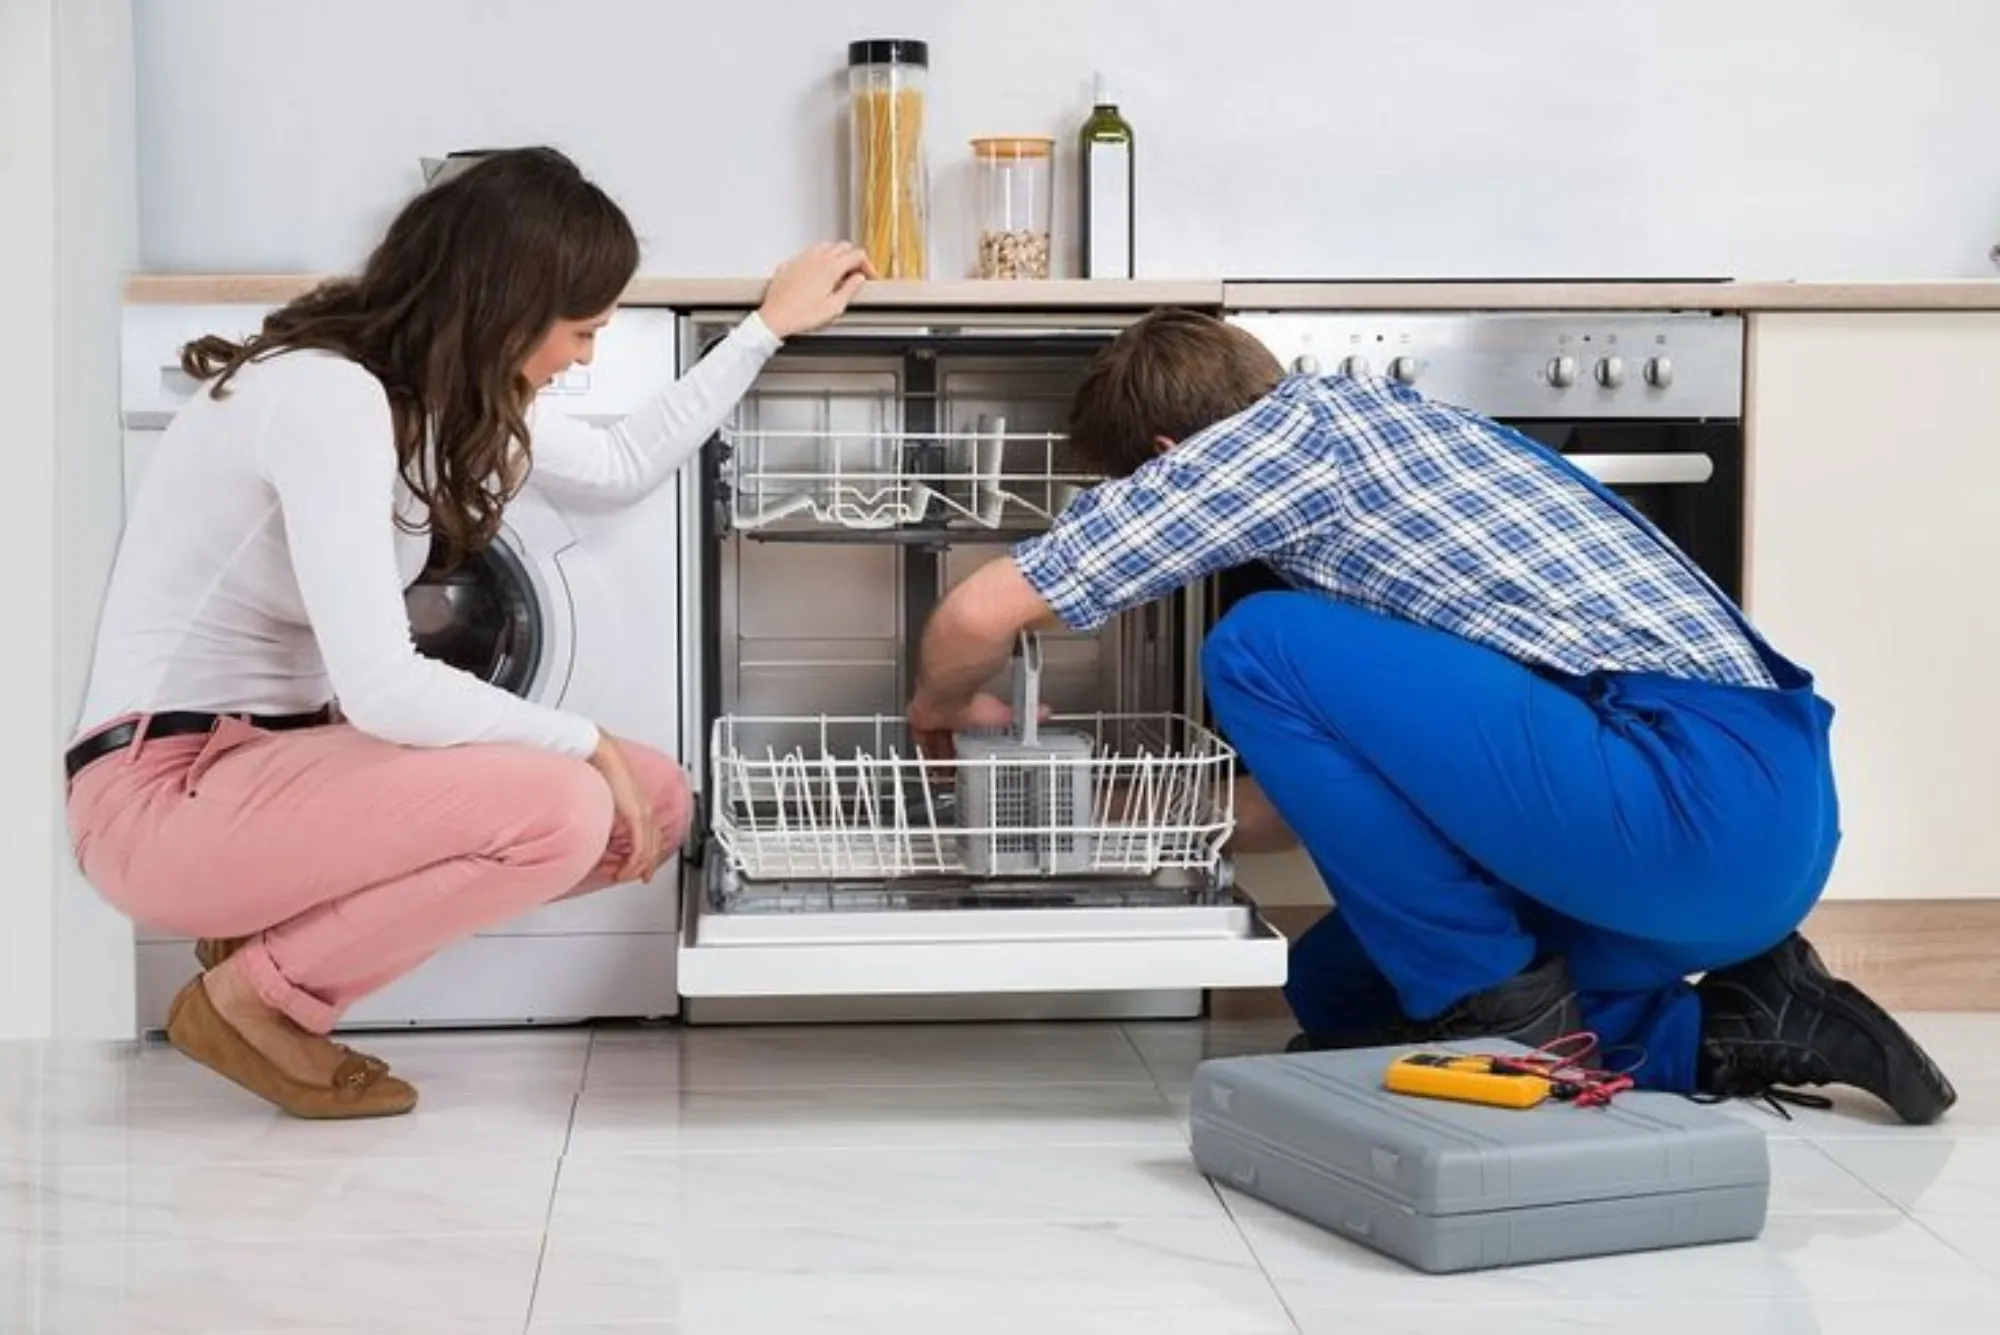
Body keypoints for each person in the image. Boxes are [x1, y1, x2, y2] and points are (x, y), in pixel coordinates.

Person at [905, 308, 1956, 1125]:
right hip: (1756, 831)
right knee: (1338, 990)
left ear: (1179, 456)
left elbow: (976, 610)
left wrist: (938, 713)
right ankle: (1748, 1019)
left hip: (1691, 804)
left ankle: (1512, 1030)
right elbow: (1325, 795)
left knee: (1257, 642)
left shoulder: (1283, 446)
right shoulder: (1394, 445)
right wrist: (1105, 809)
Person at [64, 147, 872, 1119]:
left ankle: (261, 954)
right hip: (160, 795)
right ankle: (254, 1001)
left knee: (648, 802)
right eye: (580, 331)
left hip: (267, 773)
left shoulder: (432, 404)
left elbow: (619, 462)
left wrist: (763, 329)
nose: (584, 357)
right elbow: (382, 685)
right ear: (505, 307)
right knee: (569, 807)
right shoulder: (327, 395)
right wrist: (584, 739)